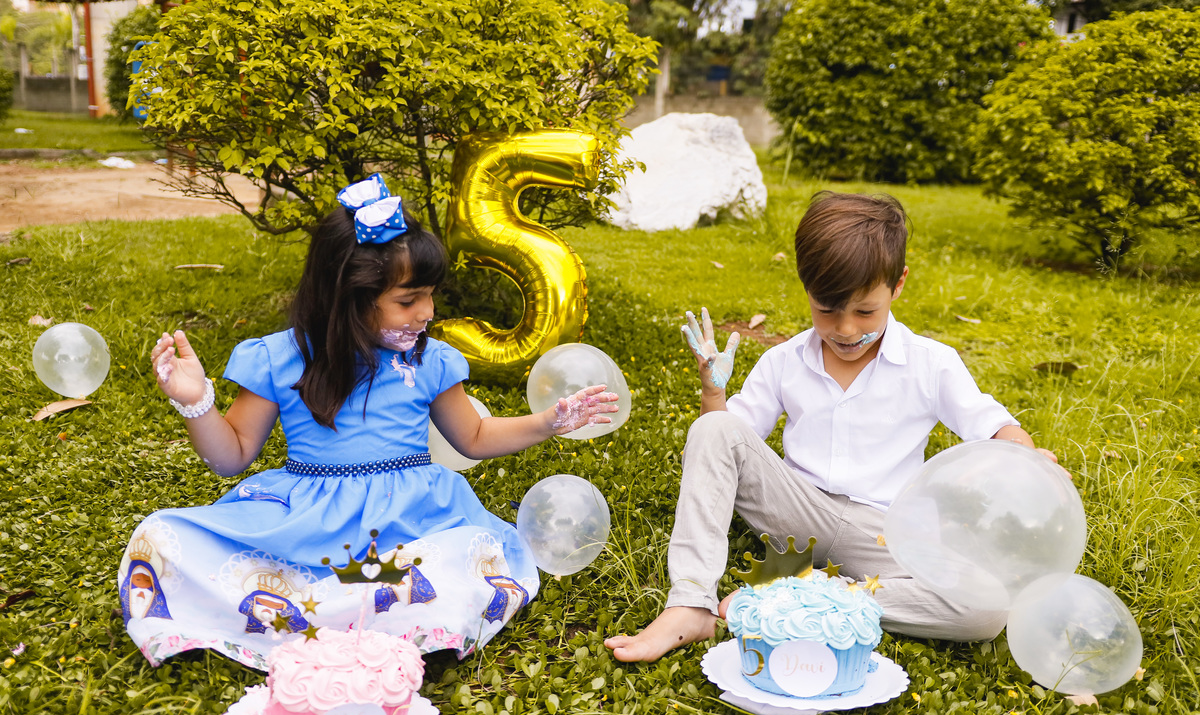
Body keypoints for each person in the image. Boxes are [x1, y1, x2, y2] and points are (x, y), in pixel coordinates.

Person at [118, 174, 618, 671]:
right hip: (310, 528)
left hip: (413, 524)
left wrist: (548, 421)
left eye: (430, 295)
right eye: (408, 300)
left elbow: (474, 436)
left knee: (461, 557)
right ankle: (351, 616)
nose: (427, 312)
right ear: (350, 296)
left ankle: (378, 619)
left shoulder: (429, 361)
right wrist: (197, 403)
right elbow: (231, 457)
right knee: (159, 538)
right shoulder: (280, 358)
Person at [605, 191, 1060, 663]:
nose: (845, 329)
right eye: (827, 309)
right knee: (713, 428)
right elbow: (720, 447)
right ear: (807, 289)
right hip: (796, 513)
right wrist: (713, 395)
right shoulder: (783, 361)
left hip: (886, 532)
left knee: (986, 609)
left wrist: (1025, 458)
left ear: (898, 285)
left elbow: (995, 427)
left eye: (864, 312)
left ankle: (810, 596)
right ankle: (691, 604)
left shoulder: (932, 363)